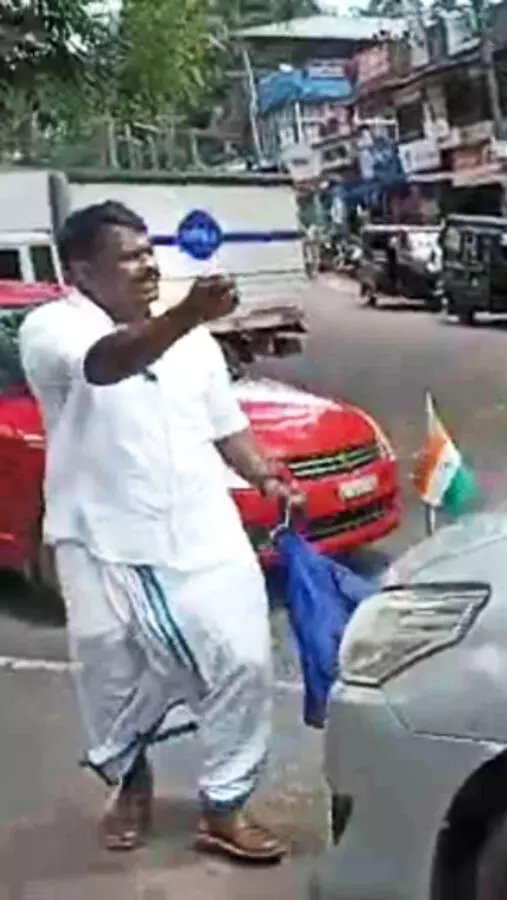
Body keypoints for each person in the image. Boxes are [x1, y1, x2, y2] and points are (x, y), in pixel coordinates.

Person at [18, 201, 303, 863]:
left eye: (150, 252)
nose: (148, 266)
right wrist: (185, 316)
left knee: (242, 660)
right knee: (112, 677)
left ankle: (224, 804)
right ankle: (133, 785)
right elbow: (105, 364)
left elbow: (226, 425)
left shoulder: (194, 342)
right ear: (84, 270)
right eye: (129, 256)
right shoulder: (51, 328)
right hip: (99, 541)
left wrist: (263, 475)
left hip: (203, 530)